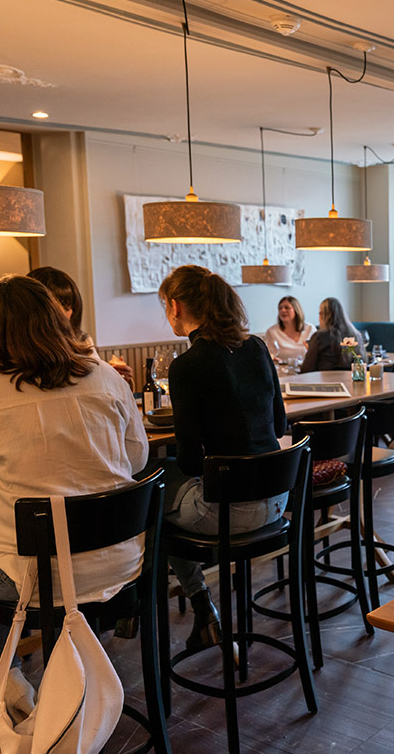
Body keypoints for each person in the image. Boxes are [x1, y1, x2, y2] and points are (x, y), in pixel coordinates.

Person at [0, 275, 147, 713]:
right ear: (55, 319)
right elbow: (137, 458)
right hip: (120, 564)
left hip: (35, 578)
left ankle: (7, 678)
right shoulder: (105, 375)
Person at [158, 265, 288, 652]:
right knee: (159, 487)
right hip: (278, 503)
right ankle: (194, 612)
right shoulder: (257, 347)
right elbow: (279, 423)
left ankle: (193, 606)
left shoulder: (188, 365)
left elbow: (191, 462)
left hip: (228, 513)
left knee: (148, 491)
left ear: (176, 307)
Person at [27, 266, 134, 385]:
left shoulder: (82, 341)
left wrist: (114, 377)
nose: (70, 313)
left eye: (71, 306)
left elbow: (93, 380)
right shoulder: (24, 351)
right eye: (62, 305)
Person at [299, 297, 363, 372]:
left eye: (320, 313)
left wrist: (311, 350)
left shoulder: (319, 336)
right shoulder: (356, 335)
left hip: (326, 382)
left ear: (324, 315)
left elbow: (307, 369)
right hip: (351, 381)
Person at [265, 295, 315, 364]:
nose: (283, 310)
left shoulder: (310, 329)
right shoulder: (272, 332)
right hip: (283, 371)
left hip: (307, 370)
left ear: (296, 310)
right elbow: (269, 356)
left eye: (287, 307)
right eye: (280, 308)